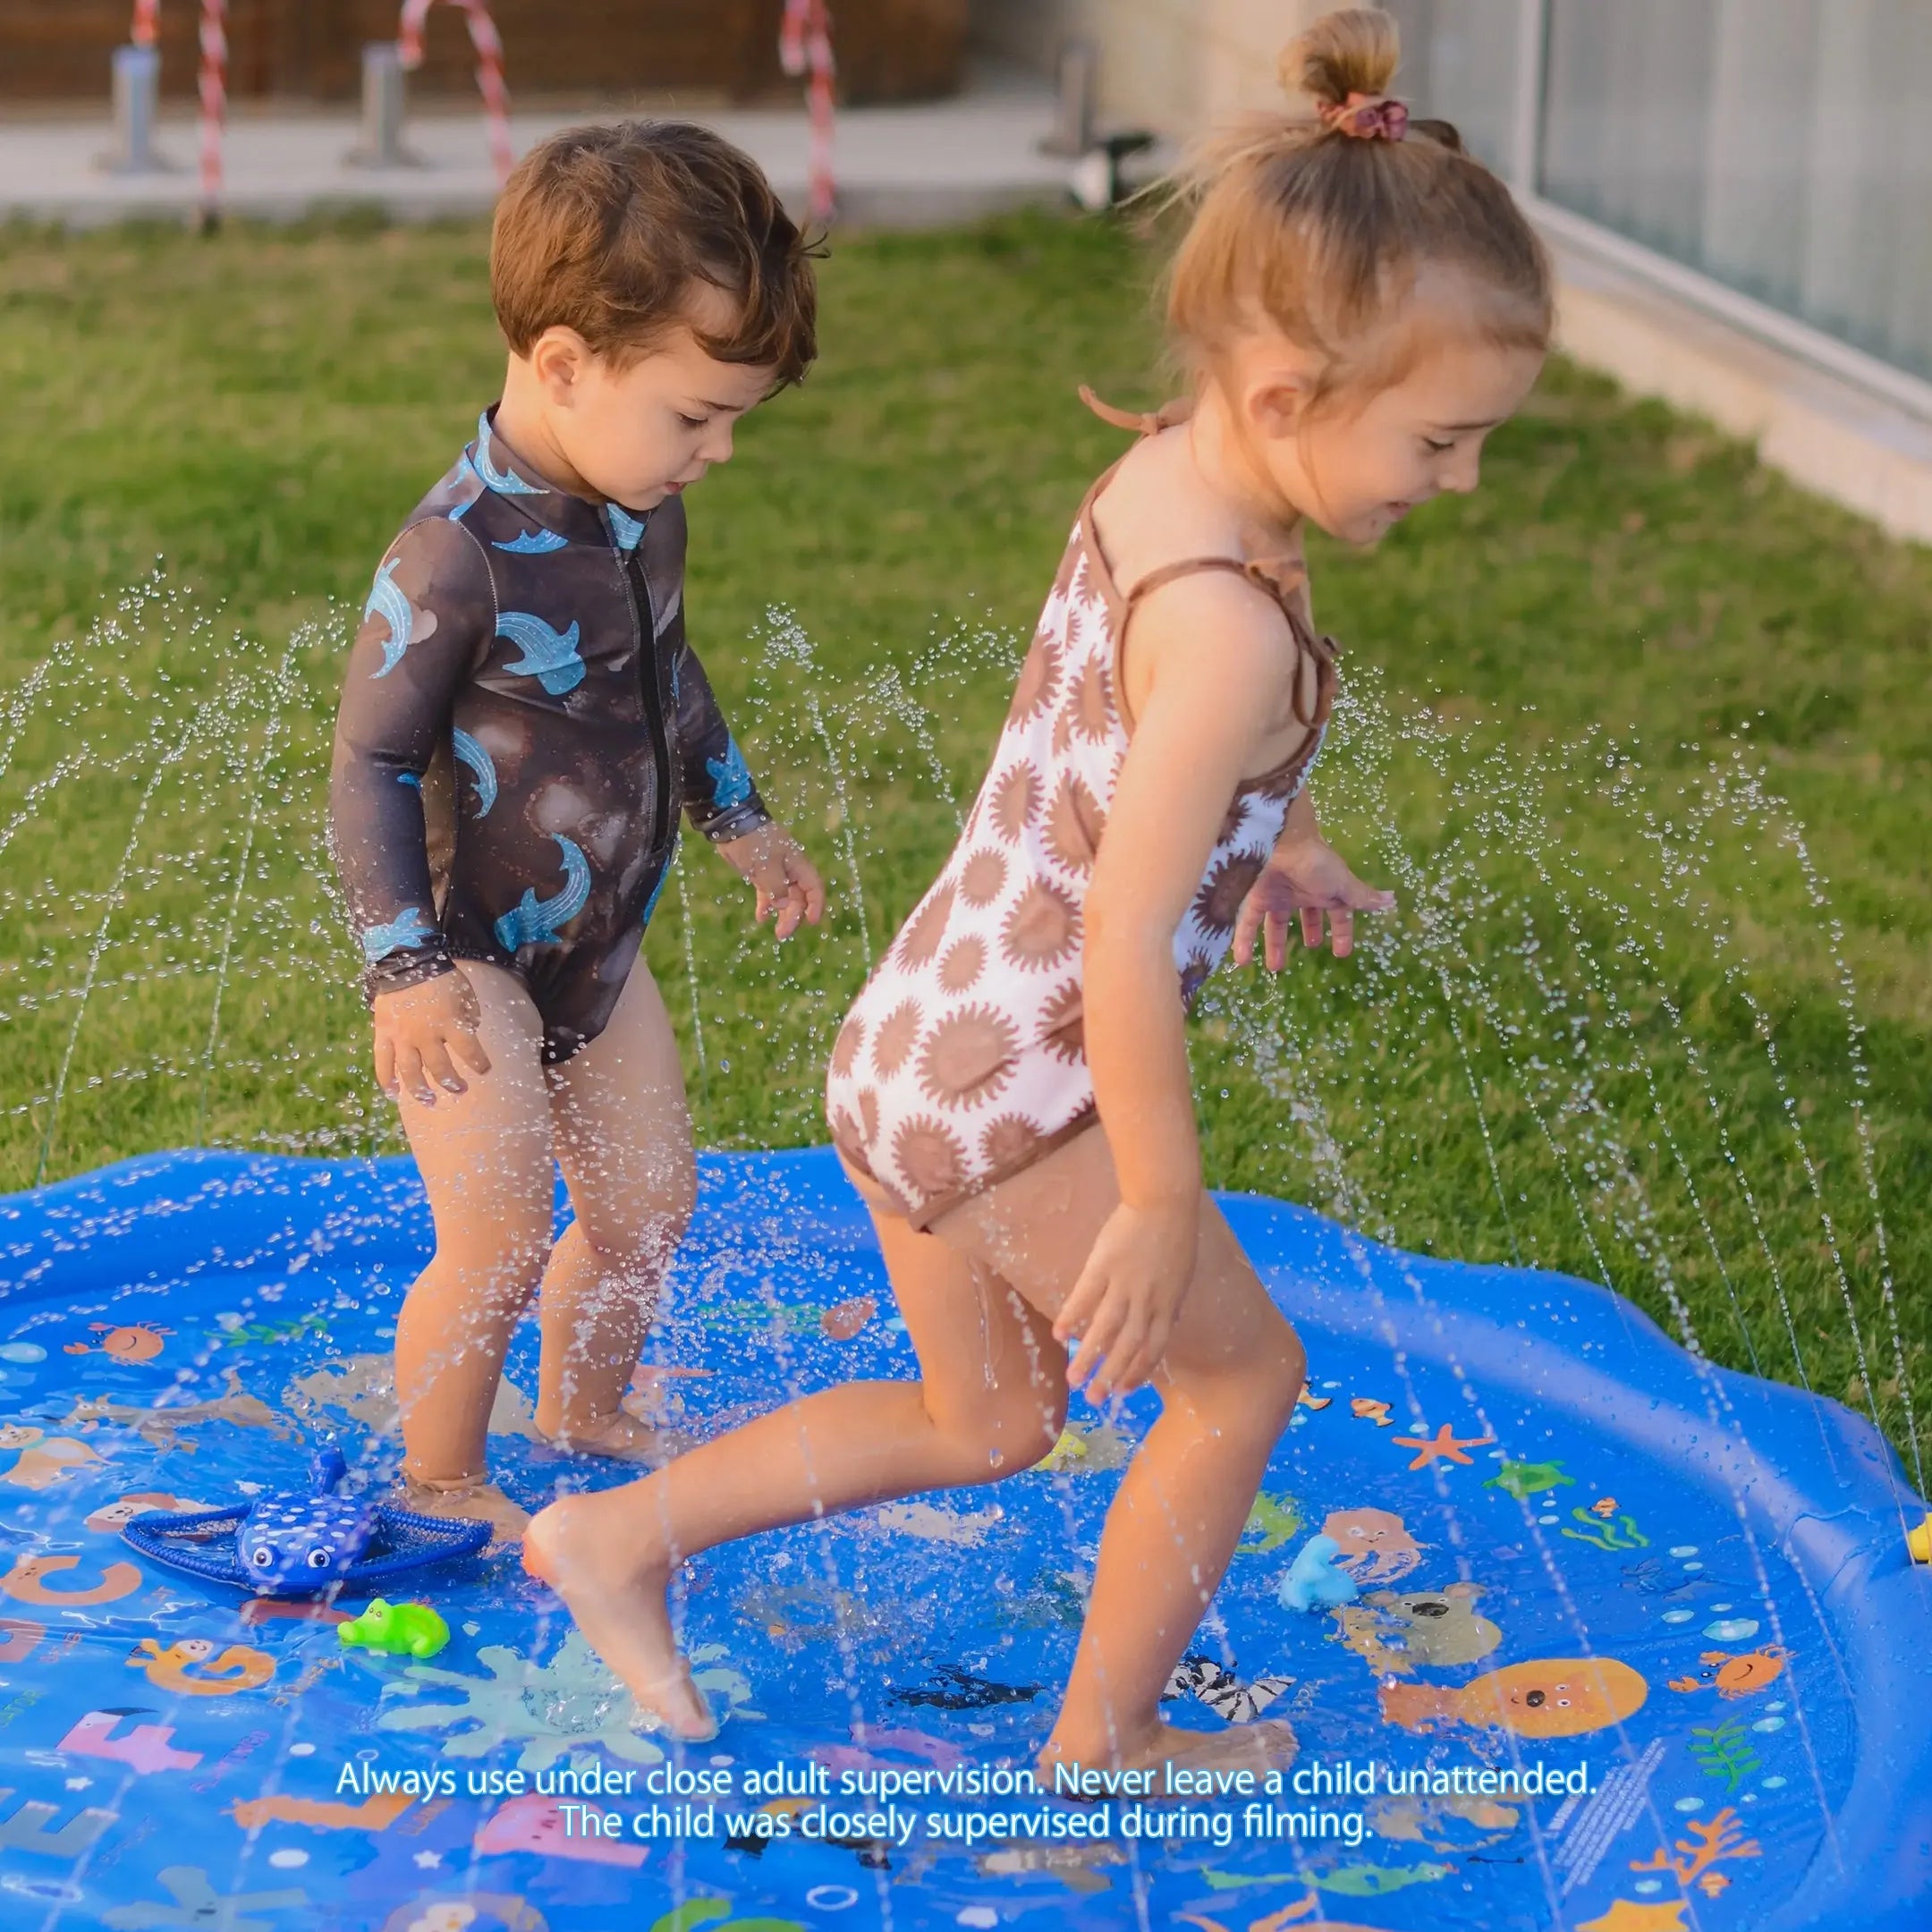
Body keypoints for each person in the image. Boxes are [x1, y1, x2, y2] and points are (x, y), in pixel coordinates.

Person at [525, 6, 1551, 1770]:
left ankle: (614, 1538)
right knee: (1243, 1383)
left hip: (915, 1046)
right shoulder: (1228, 626)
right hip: (1037, 1093)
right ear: (1292, 397)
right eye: (1443, 442)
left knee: (986, 1419)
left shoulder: (1171, 477)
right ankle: (1107, 1739)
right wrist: (1156, 1198)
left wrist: (1280, 842)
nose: (1459, 481)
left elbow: (1117, 752)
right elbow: (1121, 932)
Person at [328, 122, 826, 1543]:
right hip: (465, 955)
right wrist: (402, 965)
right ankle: (439, 1475)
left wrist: (740, 815)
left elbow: (665, 668)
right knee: (493, 1235)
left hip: (596, 949)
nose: (718, 451)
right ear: (562, 364)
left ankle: (585, 1408)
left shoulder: (636, 505)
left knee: (646, 1210)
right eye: (695, 414)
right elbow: (366, 763)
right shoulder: (456, 553)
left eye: (734, 418)